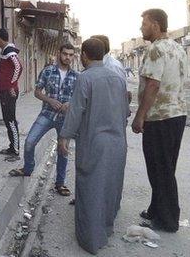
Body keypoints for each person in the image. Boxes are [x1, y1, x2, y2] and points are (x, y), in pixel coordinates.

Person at [57, 38, 130, 255]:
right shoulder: (118, 78)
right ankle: (106, 230)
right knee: (110, 187)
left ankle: (90, 239)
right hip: (118, 143)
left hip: (94, 143)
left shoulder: (85, 78)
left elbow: (76, 110)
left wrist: (65, 136)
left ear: (84, 56)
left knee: (90, 188)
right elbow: (125, 112)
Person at [132, 9, 187, 232]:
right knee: (165, 167)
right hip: (177, 115)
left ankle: (168, 220)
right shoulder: (177, 47)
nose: (141, 28)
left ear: (155, 24)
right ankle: (155, 210)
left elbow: (153, 85)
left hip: (160, 117)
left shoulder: (155, 49)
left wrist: (140, 116)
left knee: (159, 169)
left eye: (144, 24)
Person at [9, 43, 79, 198]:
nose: (67, 57)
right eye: (65, 53)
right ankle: (28, 169)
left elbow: (79, 98)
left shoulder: (76, 76)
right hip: (47, 114)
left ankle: (60, 183)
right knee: (29, 142)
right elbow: (37, 92)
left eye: (70, 54)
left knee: (63, 151)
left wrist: (70, 103)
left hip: (65, 119)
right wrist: (50, 100)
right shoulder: (48, 71)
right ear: (59, 53)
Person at [0, 28, 23, 159]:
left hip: (8, 92)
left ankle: (15, 150)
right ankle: (12, 147)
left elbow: (18, 67)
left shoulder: (9, 51)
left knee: (10, 120)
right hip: (4, 91)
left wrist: (11, 85)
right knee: (7, 120)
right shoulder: (5, 51)